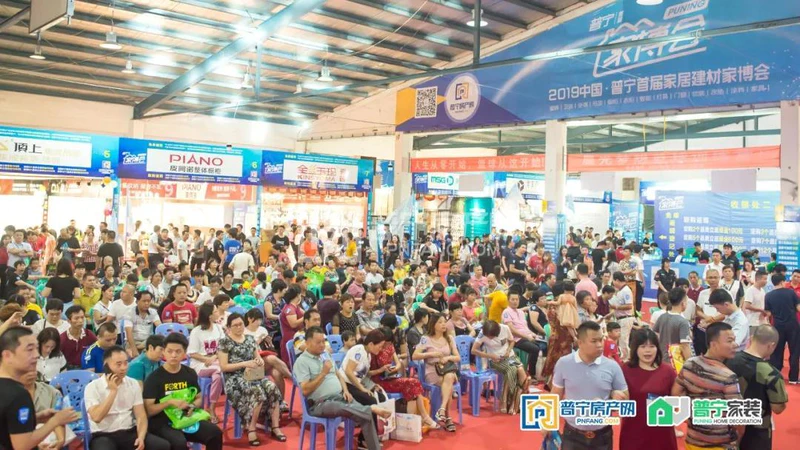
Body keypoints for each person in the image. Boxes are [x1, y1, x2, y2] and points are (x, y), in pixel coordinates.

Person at [293, 326, 390, 450]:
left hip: (340, 396)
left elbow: (339, 375)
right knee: (347, 407)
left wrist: (345, 390)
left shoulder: (325, 355)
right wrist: (323, 373)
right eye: (318, 342)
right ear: (307, 343)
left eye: (323, 341)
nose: (322, 345)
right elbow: (305, 390)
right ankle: (370, 408)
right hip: (321, 403)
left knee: (365, 415)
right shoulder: (301, 362)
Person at [551, 321, 628, 450]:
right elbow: (555, 396)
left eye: (601, 340)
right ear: (580, 343)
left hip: (602, 435)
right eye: (594, 341)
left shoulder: (612, 366)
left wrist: (614, 397)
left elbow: (625, 400)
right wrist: (548, 424)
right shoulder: (564, 363)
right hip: (572, 434)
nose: (599, 345)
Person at [0, 327, 80, 449]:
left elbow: (6, 423)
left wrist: (35, 419)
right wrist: (55, 421)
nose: (36, 355)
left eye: (36, 349)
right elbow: (22, 446)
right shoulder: (18, 395)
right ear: (7, 355)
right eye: (29, 349)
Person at [143, 332, 224, 450]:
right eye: (170, 351)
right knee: (179, 443)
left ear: (185, 353)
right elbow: (149, 410)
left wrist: (192, 406)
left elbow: (199, 397)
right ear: (164, 352)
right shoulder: (154, 378)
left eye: (178, 351)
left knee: (215, 433)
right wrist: (169, 402)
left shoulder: (189, 373)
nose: (173, 355)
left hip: (186, 418)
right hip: (162, 422)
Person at [673, 322, 744, 449]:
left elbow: (676, 394)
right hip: (719, 444)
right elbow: (738, 417)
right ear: (713, 344)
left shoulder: (690, 364)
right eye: (729, 341)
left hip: (692, 440)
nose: (735, 344)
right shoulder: (728, 376)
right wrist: (737, 439)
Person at [84, 345, 168, 450]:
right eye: (118, 364)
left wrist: (141, 437)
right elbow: (97, 417)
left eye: (125, 363)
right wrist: (113, 392)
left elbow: (141, 416)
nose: (123, 368)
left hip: (129, 431)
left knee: (162, 446)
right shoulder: (92, 387)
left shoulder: (133, 384)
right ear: (106, 365)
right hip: (103, 434)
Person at [219, 313, 285, 445]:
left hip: (253, 374)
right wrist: (244, 364)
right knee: (257, 392)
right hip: (235, 378)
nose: (239, 327)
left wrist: (259, 361)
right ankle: (251, 428)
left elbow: (257, 357)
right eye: (235, 325)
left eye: (241, 324)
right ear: (229, 327)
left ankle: (275, 426)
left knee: (272, 387)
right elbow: (224, 367)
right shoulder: (224, 342)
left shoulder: (249, 339)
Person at [725, 324, 787, 450]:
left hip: (727, 424)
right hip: (757, 430)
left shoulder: (728, 359)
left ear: (752, 338)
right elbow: (778, 407)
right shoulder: (771, 373)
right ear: (771, 345)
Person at [620, 328, 678, 450]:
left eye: (652, 346)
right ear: (635, 349)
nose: (648, 350)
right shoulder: (625, 370)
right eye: (643, 346)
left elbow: (677, 399)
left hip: (662, 431)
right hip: (634, 431)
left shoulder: (667, 371)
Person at [412, 313, 461, 432]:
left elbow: (457, 357)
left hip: (447, 368)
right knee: (449, 383)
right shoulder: (426, 339)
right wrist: (431, 354)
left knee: (449, 377)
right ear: (433, 324)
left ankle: (442, 410)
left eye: (444, 322)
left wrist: (448, 358)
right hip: (432, 370)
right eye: (440, 322)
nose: (443, 324)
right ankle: (447, 417)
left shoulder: (449, 338)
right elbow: (415, 356)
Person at [472, 320, 528, 414]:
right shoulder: (483, 333)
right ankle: (508, 400)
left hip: (510, 357)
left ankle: (516, 399)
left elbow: (512, 341)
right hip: (495, 360)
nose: (489, 338)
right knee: (512, 369)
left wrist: (508, 351)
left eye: (492, 336)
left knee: (521, 370)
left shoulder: (505, 328)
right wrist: (490, 356)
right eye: (488, 336)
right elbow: (473, 350)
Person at [187, 303, 224, 424]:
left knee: (218, 376)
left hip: (215, 361)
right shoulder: (196, 331)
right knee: (220, 370)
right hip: (199, 364)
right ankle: (210, 408)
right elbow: (192, 353)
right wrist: (206, 359)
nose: (218, 313)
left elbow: (223, 347)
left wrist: (214, 357)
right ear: (209, 316)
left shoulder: (218, 328)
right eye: (215, 311)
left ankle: (211, 407)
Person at [764, 273, 800, 384]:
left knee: (777, 352)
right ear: (782, 282)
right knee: (794, 351)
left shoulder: (768, 295)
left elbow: (768, 313)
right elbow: (798, 308)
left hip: (778, 326)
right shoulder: (791, 292)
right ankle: (793, 378)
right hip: (793, 326)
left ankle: (775, 376)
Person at [653, 287, 694, 369]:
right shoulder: (683, 322)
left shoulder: (662, 317)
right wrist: (690, 365)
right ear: (683, 303)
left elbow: (655, 336)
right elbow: (685, 346)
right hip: (676, 363)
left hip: (661, 360)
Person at [502, 290, 539, 378]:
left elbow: (525, 328)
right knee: (535, 349)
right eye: (513, 299)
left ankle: (534, 370)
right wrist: (527, 337)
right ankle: (531, 374)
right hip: (516, 339)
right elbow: (512, 330)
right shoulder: (506, 312)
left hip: (526, 336)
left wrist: (533, 334)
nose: (515, 301)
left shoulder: (521, 312)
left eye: (517, 299)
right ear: (508, 300)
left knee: (542, 344)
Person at [610, 272, 636, 360]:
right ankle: (623, 358)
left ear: (617, 280)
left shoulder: (626, 290)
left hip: (625, 318)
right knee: (620, 340)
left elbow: (629, 305)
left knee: (623, 341)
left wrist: (616, 307)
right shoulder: (621, 290)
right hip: (621, 318)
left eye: (613, 280)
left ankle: (626, 359)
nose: (613, 283)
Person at [279, 285, 304, 365]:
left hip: (299, 335)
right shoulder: (289, 309)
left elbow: (305, 313)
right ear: (298, 295)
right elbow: (293, 324)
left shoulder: (296, 306)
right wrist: (305, 317)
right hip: (291, 337)